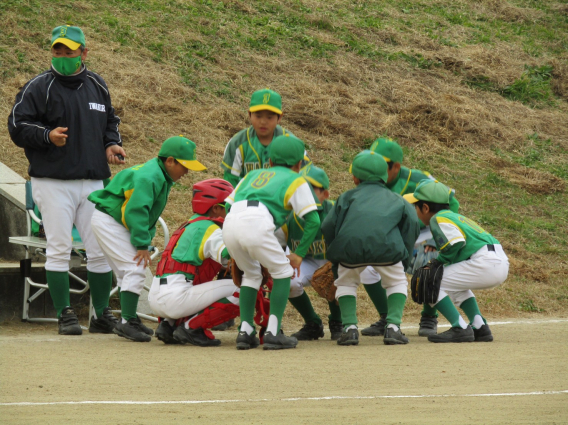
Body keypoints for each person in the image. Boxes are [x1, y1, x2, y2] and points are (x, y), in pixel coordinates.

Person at [8, 25, 125, 335]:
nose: (61, 57)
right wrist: (47, 136)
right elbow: (18, 126)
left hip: (93, 182)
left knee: (99, 249)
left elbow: (110, 121)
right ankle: (65, 314)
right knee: (59, 247)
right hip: (53, 181)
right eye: (57, 51)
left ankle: (100, 314)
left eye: (68, 51)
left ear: (83, 53)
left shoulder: (97, 85)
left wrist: (111, 144)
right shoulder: (38, 87)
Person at [88, 136, 206, 342]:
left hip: (114, 220)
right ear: (170, 161)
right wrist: (142, 244)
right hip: (110, 221)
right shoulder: (151, 176)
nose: (186, 172)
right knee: (135, 267)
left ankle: (129, 318)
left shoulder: (159, 173)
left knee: (131, 269)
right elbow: (136, 211)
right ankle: (126, 322)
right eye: (184, 166)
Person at [223, 135, 320, 350]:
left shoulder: (251, 175)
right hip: (257, 221)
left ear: (270, 161)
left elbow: (228, 206)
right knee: (283, 272)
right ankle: (273, 332)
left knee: (251, 274)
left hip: (230, 222)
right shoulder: (296, 179)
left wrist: (234, 252)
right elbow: (313, 220)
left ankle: (245, 331)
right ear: (299, 164)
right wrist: (299, 254)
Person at [361, 137, 460, 338]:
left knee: (429, 265)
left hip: (426, 231)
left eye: (382, 164)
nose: (375, 168)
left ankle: (429, 316)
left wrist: (436, 234)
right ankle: (387, 318)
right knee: (366, 267)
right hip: (394, 235)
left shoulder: (419, 179)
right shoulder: (371, 181)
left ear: (396, 166)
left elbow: (452, 203)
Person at [321, 150, 420, 346]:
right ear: (385, 175)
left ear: (355, 177)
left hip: (350, 249)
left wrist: (335, 255)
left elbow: (327, 226)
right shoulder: (397, 199)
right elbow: (413, 226)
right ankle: (393, 328)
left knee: (346, 282)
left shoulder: (346, 197)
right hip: (387, 250)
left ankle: (349, 329)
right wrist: (404, 256)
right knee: (396, 281)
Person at [403, 180, 509, 342]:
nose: (415, 210)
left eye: (416, 206)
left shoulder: (438, 219)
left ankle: (459, 327)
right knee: (453, 284)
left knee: (431, 281)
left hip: (484, 262)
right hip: (497, 261)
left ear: (425, 208)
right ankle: (479, 325)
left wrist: (438, 262)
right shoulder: (454, 216)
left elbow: (456, 242)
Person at [148, 178, 240, 347]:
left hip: (156, 296)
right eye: (228, 207)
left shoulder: (189, 224)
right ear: (216, 208)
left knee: (194, 279)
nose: (230, 212)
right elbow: (229, 256)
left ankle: (168, 324)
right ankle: (192, 328)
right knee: (244, 289)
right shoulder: (209, 228)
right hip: (176, 297)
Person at [283, 164, 343, 341]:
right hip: (305, 262)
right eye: (302, 188)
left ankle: (338, 321)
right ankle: (312, 323)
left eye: (312, 189)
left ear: (325, 194)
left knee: (338, 278)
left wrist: (340, 268)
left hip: (333, 260)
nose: (306, 193)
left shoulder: (335, 212)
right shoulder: (287, 215)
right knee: (287, 281)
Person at [220, 88, 309, 188]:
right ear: (249, 114)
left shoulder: (291, 144)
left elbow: (305, 178)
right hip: (246, 199)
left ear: (279, 117)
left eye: (269, 117)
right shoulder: (237, 143)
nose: (263, 122)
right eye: (258, 116)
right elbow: (230, 181)